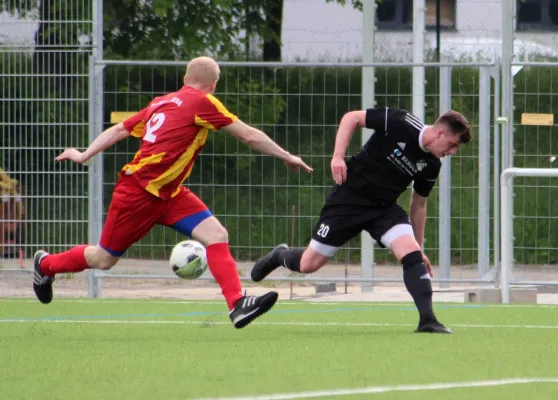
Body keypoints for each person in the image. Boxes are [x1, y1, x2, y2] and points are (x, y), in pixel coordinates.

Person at [32, 56, 312, 329]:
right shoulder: (203, 101)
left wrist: (84, 155)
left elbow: (119, 129)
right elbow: (249, 135)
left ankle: (237, 304)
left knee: (216, 236)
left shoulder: (160, 102)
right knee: (103, 259)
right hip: (138, 193)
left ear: (184, 79)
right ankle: (45, 265)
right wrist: (286, 155)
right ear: (213, 85)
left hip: (170, 194)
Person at [251, 107, 471, 333]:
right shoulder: (400, 122)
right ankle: (279, 255)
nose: (452, 152)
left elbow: (419, 205)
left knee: (411, 255)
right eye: (453, 145)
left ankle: (428, 320)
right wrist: (337, 157)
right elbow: (351, 117)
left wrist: (418, 246)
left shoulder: (432, 165)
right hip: (349, 199)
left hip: (383, 208)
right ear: (440, 133)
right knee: (309, 264)